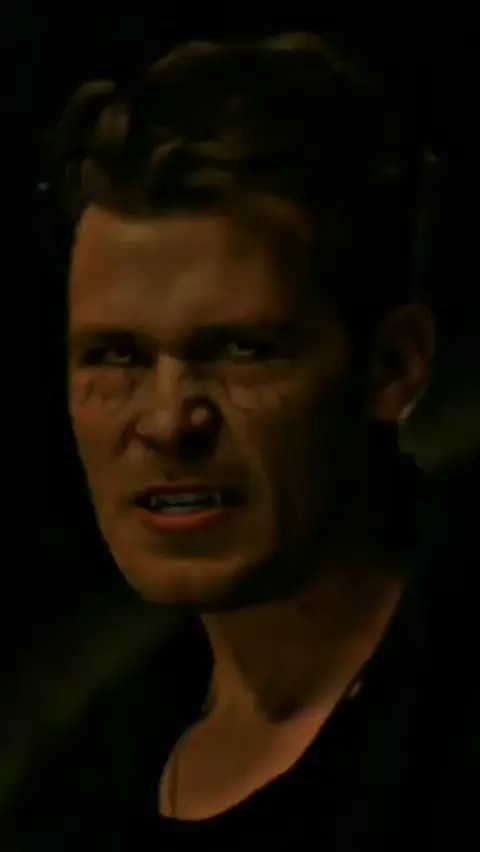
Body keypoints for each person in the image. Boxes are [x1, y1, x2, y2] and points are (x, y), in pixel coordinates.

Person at [9, 33, 471, 851]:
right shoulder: (78, 794)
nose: (168, 421)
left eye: (240, 349)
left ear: (394, 366)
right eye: (116, 356)